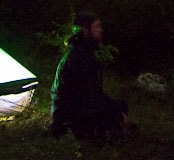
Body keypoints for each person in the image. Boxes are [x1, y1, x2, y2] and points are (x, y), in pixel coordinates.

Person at [49, 12, 129, 140]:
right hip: (67, 115)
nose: (100, 30)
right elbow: (83, 96)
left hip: (78, 106)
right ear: (86, 30)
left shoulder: (86, 53)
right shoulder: (77, 57)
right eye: (97, 27)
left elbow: (94, 92)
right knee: (113, 113)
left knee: (119, 106)